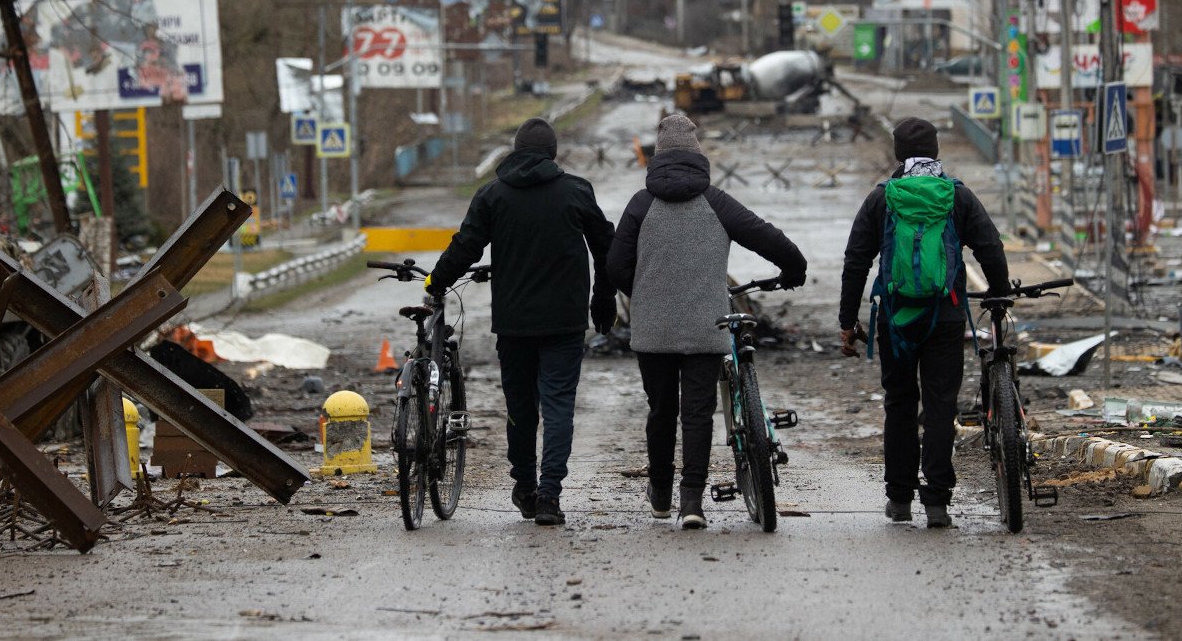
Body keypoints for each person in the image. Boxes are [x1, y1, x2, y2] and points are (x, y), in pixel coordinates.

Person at [608, 115, 807, 529]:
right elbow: (765, 235)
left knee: (661, 410)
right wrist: (794, 269)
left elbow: (615, 266)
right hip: (706, 324)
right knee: (697, 414)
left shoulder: (640, 205)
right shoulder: (717, 201)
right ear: (699, 155)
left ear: (657, 157)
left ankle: (660, 495)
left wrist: (645, 292)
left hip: (653, 329)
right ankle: (691, 503)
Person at [426, 118, 616, 526]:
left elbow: (466, 247)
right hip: (565, 322)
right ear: (552, 153)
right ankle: (549, 495)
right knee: (559, 405)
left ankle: (526, 486)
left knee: (520, 407)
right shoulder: (576, 192)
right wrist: (603, 300)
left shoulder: (493, 195)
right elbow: (606, 248)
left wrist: (436, 282)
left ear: (515, 151)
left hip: (513, 325)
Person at [838, 117, 1009, 528]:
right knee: (939, 407)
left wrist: (848, 321)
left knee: (899, 405)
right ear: (936, 151)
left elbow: (856, 260)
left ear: (898, 153)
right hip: (945, 317)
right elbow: (990, 247)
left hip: (896, 320)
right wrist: (998, 294)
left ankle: (899, 499)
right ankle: (937, 502)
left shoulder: (882, 198)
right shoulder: (957, 197)